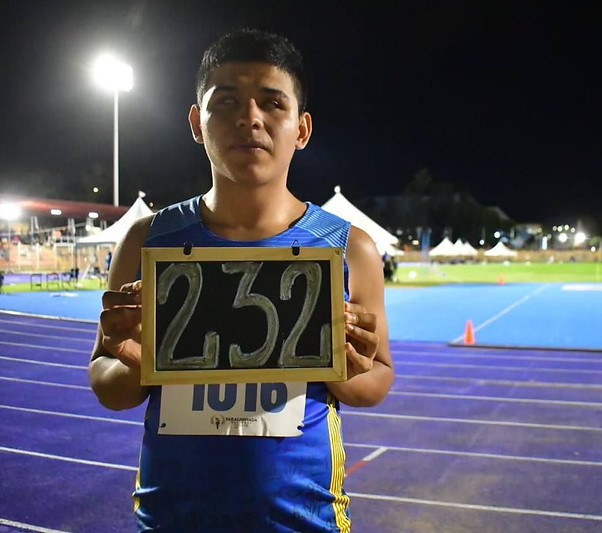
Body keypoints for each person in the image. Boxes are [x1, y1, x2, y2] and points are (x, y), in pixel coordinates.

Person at [88, 29, 393, 532]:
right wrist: (137, 365)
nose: (249, 118)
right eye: (225, 101)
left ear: (302, 128)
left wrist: (342, 364)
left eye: (273, 103)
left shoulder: (348, 247)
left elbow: (377, 379)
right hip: (171, 518)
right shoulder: (148, 240)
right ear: (196, 122)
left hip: (305, 519)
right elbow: (107, 382)